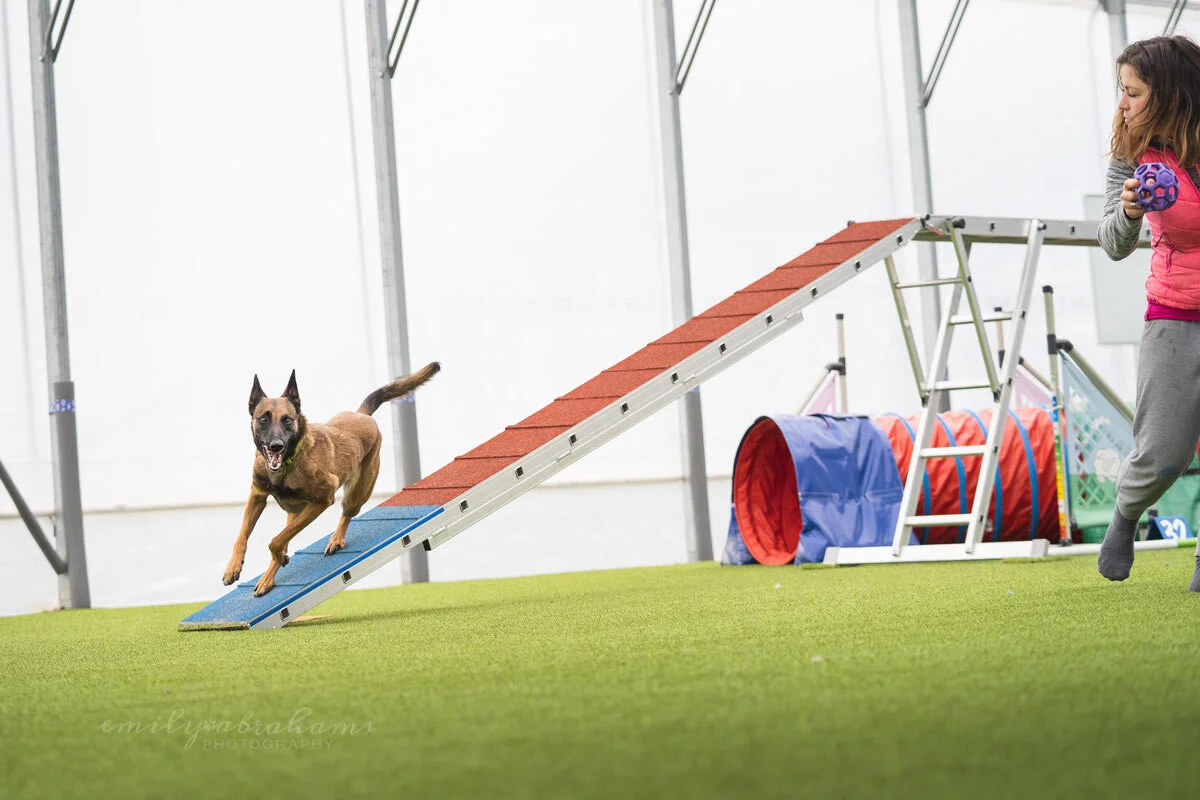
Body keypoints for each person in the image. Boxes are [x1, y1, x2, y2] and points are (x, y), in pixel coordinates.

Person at [1097, 35, 1200, 591]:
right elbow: (1112, 244)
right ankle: (1126, 517)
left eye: (1132, 93)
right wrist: (1130, 209)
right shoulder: (1132, 153)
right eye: (1122, 91)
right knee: (1164, 452)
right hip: (1175, 313)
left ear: (1169, 93)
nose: (1122, 103)